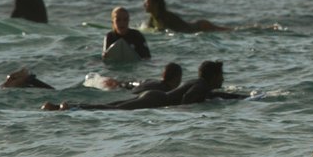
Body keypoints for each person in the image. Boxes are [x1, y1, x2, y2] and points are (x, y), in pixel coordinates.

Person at [41, 60, 244, 110]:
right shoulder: (201, 86)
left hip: (153, 96)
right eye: (221, 75)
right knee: (112, 110)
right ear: (214, 76)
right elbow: (187, 100)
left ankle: (70, 106)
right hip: (156, 100)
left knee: (113, 107)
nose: (223, 79)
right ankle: (70, 107)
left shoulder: (199, 83)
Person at [143, 0, 227, 33]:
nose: (144, 5)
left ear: (155, 4)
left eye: (147, 3)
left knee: (227, 31)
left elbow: (168, 31)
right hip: (196, 27)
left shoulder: (166, 17)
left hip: (200, 26)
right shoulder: (152, 17)